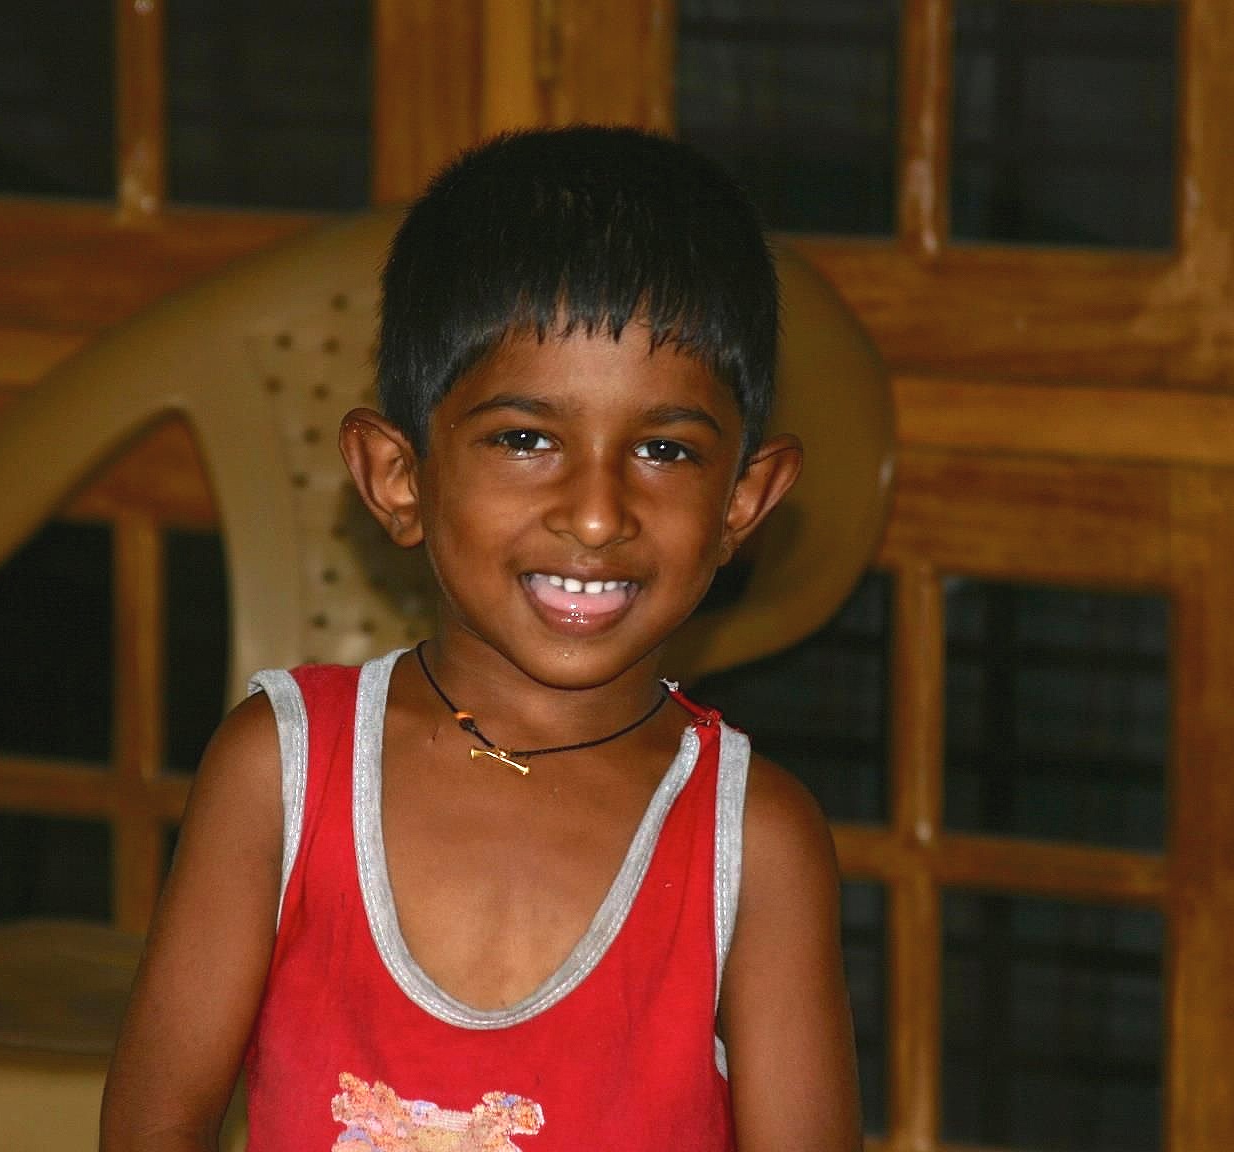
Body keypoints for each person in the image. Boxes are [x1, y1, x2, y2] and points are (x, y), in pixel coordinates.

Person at [100, 125, 861, 1152]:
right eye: (525, 439)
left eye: (666, 449)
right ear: (397, 477)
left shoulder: (753, 844)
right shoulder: (282, 776)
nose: (597, 513)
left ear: (745, 501)